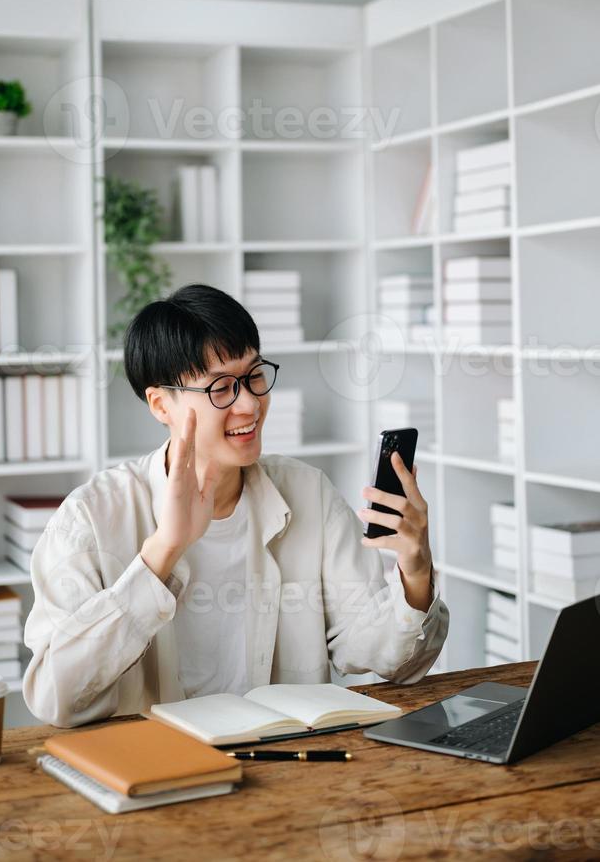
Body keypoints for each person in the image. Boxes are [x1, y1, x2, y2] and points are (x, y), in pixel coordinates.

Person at [23, 284, 449, 727]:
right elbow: (56, 697)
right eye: (221, 388)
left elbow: (383, 658)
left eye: (254, 376)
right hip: (155, 774)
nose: (249, 404)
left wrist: (415, 572)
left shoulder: (309, 493)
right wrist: (163, 550)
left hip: (286, 762)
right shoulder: (91, 518)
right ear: (160, 404)